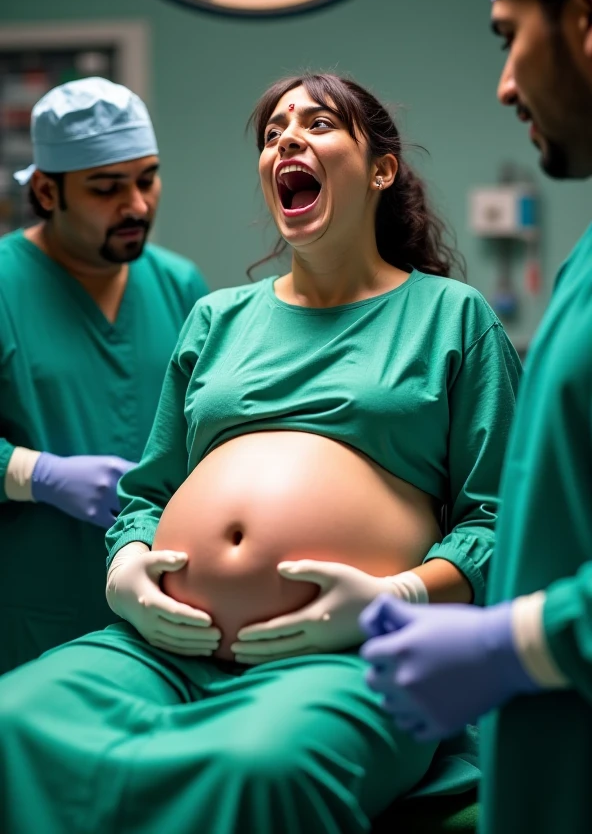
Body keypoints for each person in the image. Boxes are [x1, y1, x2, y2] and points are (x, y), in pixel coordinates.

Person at [0, 74, 520, 834]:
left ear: (381, 168)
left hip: (348, 653)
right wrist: (127, 570)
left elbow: (500, 519)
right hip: (163, 646)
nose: (286, 141)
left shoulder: (451, 318)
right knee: (16, 720)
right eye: (274, 132)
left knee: (260, 769)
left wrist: (397, 598)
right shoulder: (216, 317)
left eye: (317, 124)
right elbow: (148, 496)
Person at [360, 0, 592, 834]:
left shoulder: (449, 316)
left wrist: (517, 639)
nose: (503, 84)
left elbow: (497, 513)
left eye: (507, 36)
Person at [0, 76, 208, 674]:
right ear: (46, 189)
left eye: (147, 178)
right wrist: (33, 473)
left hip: (167, 614)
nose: (137, 205)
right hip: (34, 614)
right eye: (106, 188)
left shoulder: (182, 286)